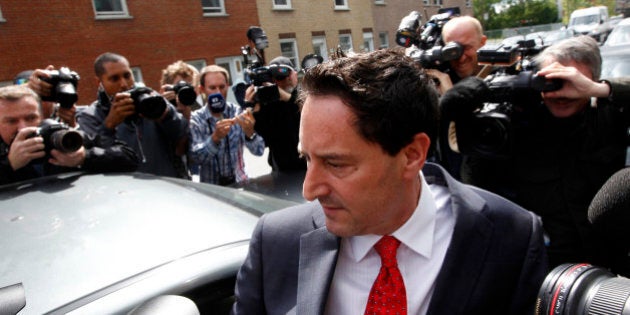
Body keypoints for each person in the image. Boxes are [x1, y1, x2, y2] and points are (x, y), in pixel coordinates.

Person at [231, 48, 547, 314]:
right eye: (307, 159)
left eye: (336, 163)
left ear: (411, 155)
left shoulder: (510, 236)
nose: (309, 190)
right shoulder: (275, 242)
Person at [442, 35, 630, 269]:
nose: (560, 93)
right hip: (547, 267)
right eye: (550, 82)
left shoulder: (609, 116)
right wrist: (467, 121)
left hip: (610, 262)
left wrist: (600, 90)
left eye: (571, 82)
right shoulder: (520, 124)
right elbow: (477, 189)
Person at [76, 52, 189, 179]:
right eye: (114, 79)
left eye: (127, 75)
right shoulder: (90, 116)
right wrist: (108, 126)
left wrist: (166, 115)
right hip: (126, 193)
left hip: (167, 188)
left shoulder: (151, 101)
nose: (124, 84)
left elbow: (183, 139)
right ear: (99, 82)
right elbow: (94, 160)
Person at [0, 85, 138, 185]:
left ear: (41, 116)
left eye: (31, 118)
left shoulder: (58, 137)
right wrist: (10, 165)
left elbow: (129, 158)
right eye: (11, 121)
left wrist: (84, 157)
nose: (24, 127)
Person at [189, 65, 265, 185]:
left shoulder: (237, 112)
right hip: (212, 188)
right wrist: (215, 138)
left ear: (228, 87)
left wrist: (250, 133)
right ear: (202, 90)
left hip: (240, 182)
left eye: (222, 87)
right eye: (212, 88)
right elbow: (196, 158)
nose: (218, 92)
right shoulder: (196, 119)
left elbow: (259, 151)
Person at [243, 56, 306, 173]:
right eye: (278, 77)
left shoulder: (305, 95)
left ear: (295, 75)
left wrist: (287, 98)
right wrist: (253, 112)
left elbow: (306, 116)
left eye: (287, 75)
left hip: (309, 166)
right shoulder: (269, 105)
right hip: (282, 171)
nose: (285, 80)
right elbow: (263, 142)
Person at [159, 60, 201, 179]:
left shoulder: (196, 110)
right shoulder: (159, 110)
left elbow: (189, 152)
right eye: (179, 86)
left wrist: (186, 114)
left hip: (185, 176)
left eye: (188, 86)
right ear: (168, 87)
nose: (184, 90)